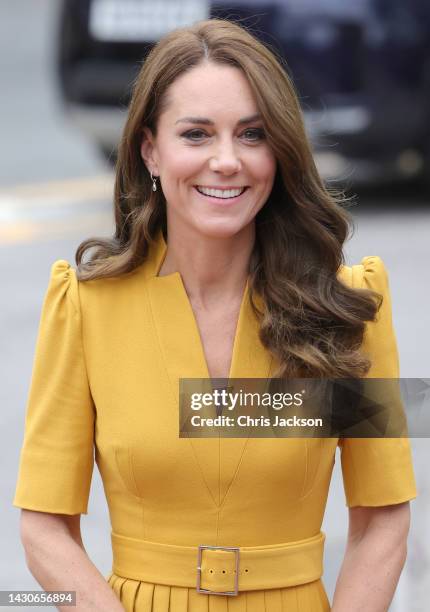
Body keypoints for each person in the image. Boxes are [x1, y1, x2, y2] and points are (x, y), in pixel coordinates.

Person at [13, 18, 417, 612]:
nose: (226, 161)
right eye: (196, 135)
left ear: (279, 151)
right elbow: (43, 528)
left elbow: (384, 520)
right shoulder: (83, 307)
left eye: (252, 135)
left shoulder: (350, 304)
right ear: (150, 149)